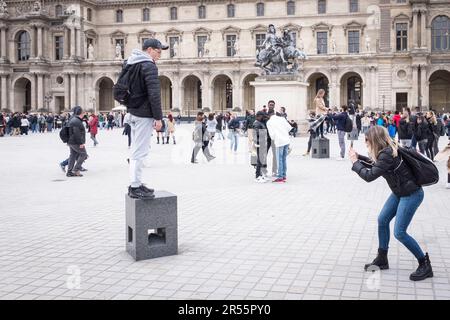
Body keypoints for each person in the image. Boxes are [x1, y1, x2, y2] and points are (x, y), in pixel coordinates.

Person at [350, 126, 433, 281]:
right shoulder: (387, 151)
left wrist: (355, 163)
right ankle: (382, 259)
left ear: (375, 140)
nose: (366, 142)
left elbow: (369, 176)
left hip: (411, 194)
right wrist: (359, 157)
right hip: (400, 192)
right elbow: (377, 165)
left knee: (400, 232)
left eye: (367, 140)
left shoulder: (387, 154)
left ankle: (425, 264)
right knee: (382, 220)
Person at [124, 38, 167, 199]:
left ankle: (137, 183)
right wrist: (158, 117)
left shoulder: (130, 63)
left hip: (133, 112)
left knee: (136, 149)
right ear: (149, 50)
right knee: (139, 151)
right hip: (143, 114)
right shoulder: (149, 66)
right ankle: (135, 186)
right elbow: (154, 94)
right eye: (158, 51)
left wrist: (130, 105)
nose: (159, 55)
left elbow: (123, 88)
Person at [266, 109, 292, 183]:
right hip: (286, 140)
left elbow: (272, 136)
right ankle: (284, 175)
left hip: (279, 141)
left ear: (268, 115)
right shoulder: (282, 118)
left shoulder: (269, 122)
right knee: (284, 159)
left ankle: (280, 177)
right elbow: (289, 128)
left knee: (279, 159)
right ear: (274, 113)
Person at [66, 106, 88, 177]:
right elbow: (76, 133)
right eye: (83, 113)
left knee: (72, 155)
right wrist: (80, 143)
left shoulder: (74, 119)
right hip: (75, 142)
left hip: (71, 141)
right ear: (81, 113)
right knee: (83, 154)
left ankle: (69, 172)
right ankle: (76, 170)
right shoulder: (76, 121)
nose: (84, 114)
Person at [252, 111, 269, 183]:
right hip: (259, 143)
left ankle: (261, 175)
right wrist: (257, 143)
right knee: (259, 160)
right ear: (258, 116)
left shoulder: (260, 122)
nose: (263, 118)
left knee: (262, 160)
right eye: (262, 116)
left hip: (262, 142)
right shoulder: (256, 123)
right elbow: (255, 133)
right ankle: (257, 176)